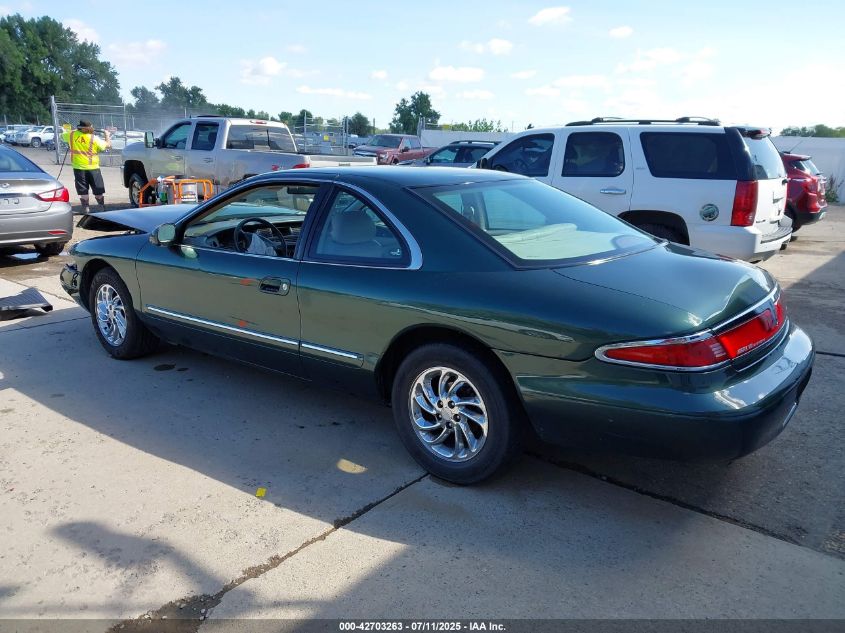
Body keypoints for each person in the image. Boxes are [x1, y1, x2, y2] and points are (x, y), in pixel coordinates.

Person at [61, 120, 111, 213]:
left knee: (83, 190)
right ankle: (101, 206)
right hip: (93, 168)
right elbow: (107, 145)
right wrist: (107, 135)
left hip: (78, 168)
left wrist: (66, 130)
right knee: (98, 189)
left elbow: (62, 136)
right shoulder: (93, 138)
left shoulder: (71, 135)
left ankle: (86, 208)